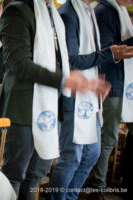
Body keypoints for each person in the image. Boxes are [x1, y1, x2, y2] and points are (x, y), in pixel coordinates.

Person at [0, 0, 109, 199]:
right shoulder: (17, 10)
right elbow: (18, 64)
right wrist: (65, 80)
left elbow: (60, 60)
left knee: (36, 173)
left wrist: (78, 82)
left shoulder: (52, 13)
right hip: (23, 109)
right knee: (14, 174)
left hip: (50, 105)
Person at [48, 0, 133, 199]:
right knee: (71, 157)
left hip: (89, 90)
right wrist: (109, 54)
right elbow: (72, 59)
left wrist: (98, 75)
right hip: (73, 93)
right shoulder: (69, 13)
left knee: (92, 153)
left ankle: (70, 196)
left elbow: (94, 53)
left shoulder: (88, 11)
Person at [88, 0, 133, 199]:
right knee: (108, 138)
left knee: (110, 137)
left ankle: (118, 181)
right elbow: (107, 51)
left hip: (124, 83)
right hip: (111, 83)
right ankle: (97, 186)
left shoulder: (119, 11)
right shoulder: (104, 12)